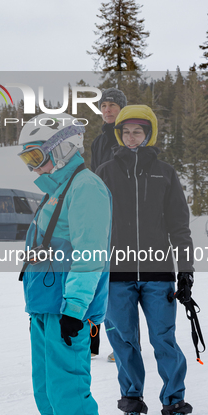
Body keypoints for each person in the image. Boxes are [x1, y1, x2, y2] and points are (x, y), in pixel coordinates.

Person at [18, 113, 121, 415]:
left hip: (66, 313)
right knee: (49, 396)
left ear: (62, 148)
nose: (33, 167)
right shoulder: (57, 190)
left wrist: (75, 311)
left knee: (70, 395)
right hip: (45, 309)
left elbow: (91, 254)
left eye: (36, 156)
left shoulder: (86, 188)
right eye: (27, 160)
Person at [95, 105, 195, 415]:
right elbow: (93, 225)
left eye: (137, 131)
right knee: (124, 342)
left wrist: (185, 271)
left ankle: (176, 408)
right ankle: (132, 406)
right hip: (116, 274)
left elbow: (179, 226)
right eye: (125, 132)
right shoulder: (105, 172)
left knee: (164, 340)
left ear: (148, 133)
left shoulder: (165, 172)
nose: (131, 137)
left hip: (158, 273)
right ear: (119, 135)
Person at [89, 88, 126, 358]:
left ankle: (121, 342)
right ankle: (92, 344)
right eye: (103, 105)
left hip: (123, 215)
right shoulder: (99, 141)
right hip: (100, 213)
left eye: (112, 105)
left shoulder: (128, 137)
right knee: (96, 277)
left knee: (119, 283)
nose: (107, 109)